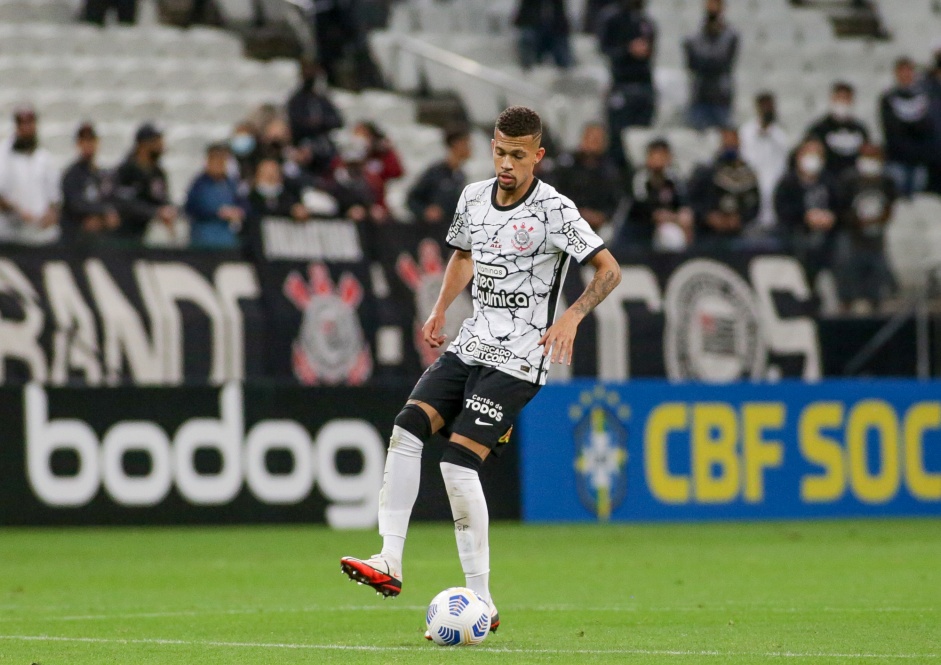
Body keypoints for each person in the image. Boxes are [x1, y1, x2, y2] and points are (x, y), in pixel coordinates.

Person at [340, 107, 622, 636]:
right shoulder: (472, 197)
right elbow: (463, 257)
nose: (506, 163)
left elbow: (609, 270)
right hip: (472, 341)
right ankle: (389, 560)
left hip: (521, 354)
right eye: (499, 151)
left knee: (455, 465)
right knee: (405, 429)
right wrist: (440, 309)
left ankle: (483, 598)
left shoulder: (556, 210)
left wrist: (571, 319)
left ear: (537, 155)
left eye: (518, 155)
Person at [835, 143, 898, 313]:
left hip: (876, 237)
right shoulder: (849, 180)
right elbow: (841, 208)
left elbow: (890, 206)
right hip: (853, 236)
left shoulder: (887, 181)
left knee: (876, 275)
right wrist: (857, 222)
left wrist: (878, 220)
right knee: (848, 270)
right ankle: (846, 306)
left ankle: (875, 304)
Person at [599, 0, 657, 170]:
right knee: (617, 139)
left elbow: (651, 52)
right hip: (621, 83)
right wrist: (628, 49)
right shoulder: (611, 18)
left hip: (644, 85)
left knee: (642, 136)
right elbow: (604, 48)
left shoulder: (646, 22)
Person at [548, 123, 623, 238]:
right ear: (583, 139)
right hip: (568, 217)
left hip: (599, 223)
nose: (593, 143)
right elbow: (556, 192)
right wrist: (578, 212)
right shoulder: (567, 165)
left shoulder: (611, 170)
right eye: (590, 138)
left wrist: (602, 216)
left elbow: (616, 200)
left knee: (609, 234)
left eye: (598, 140)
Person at [774, 138, 839, 271]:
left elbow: (839, 206)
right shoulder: (788, 183)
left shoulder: (830, 182)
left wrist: (831, 217)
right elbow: (782, 210)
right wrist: (805, 216)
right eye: (809, 154)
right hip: (796, 234)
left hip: (826, 237)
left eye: (817, 155)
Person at [687, 127, 760, 245]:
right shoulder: (704, 172)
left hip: (738, 234)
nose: (730, 142)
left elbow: (754, 205)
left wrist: (740, 219)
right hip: (707, 234)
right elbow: (692, 201)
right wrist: (708, 217)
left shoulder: (747, 173)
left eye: (734, 139)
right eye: (726, 138)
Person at [0, 106, 61, 245]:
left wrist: (51, 215)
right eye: (23, 123)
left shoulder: (44, 158)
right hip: (9, 236)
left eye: (30, 122)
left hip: (40, 236)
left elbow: (54, 197)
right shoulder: (3, 156)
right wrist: (17, 212)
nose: (27, 127)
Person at [622, 138, 693, 250]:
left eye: (662, 155)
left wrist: (678, 217)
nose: (659, 159)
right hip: (641, 227)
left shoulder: (674, 178)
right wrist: (665, 216)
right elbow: (643, 207)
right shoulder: (640, 178)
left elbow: (683, 204)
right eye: (655, 155)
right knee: (669, 235)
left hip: (670, 223)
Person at [113, 123, 178, 242]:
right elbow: (125, 203)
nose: (161, 145)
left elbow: (162, 198)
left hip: (148, 233)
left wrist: (169, 209)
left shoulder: (157, 172)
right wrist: (155, 212)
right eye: (156, 141)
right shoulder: (126, 170)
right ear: (143, 145)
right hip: (124, 235)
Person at [880, 56, 934, 198]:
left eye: (909, 71)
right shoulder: (888, 98)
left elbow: (927, 127)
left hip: (919, 160)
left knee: (918, 200)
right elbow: (891, 130)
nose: (906, 75)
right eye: (902, 71)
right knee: (897, 199)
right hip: (897, 159)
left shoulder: (924, 97)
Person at [683, 0, 739, 130]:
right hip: (700, 94)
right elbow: (692, 62)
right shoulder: (695, 35)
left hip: (721, 95)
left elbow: (723, 61)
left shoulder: (730, 35)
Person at [60, 122, 120, 243]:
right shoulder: (72, 174)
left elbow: (109, 198)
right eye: (84, 141)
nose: (88, 145)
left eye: (91, 141)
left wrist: (104, 215)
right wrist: (101, 211)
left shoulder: (102, 174)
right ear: (78, 144)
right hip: (75, 238)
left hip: (100, 237)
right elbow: (75, 204)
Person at [739, 92, 790, 232]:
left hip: (775, 186)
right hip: (751, 184)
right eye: (764, 106)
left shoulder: (781, 134)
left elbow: (784, 163)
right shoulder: (746, 132)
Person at [286, 60, 343, 175]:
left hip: (323, 144)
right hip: (302, 144)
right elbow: (295, 124)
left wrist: (320, 123)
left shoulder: (322, 99)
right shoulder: (296, 100)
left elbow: (338, 121)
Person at [184, 143, 246, 249]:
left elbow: (244, 204)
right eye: (216, 159)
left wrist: (238, 211)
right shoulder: (199, 184)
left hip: (228, 239)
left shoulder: (232, 184)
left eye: (222, 159)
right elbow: (191, 207)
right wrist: (217, 212)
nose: (219, 163)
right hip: (203, 239)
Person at [406, 127, 471, 224]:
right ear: (456, 144)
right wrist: (425, 211)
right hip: (431, 231)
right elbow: (412, 199)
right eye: (466, 144)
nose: (470, 148)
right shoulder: (435, 172)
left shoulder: (461, 176)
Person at [806, 82, 870, 180]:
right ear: (832, 99)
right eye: (839, 98)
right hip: (828, 178)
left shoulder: (860, 129)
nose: (842, 103)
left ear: (852, 101)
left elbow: (867, 154)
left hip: (854, 179)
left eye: (846, 99)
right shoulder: (819, 128)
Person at [351, 121, 405, 210]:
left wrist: (385, 152)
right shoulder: (349, 155)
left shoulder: (382, 154)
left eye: (364, 136)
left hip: (377, 203)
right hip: (352, 202)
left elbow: (397, 172)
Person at [514, 0, 574, 70]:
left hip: (556, 28)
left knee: (564, 60)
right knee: (528, 38)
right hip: (532, 25)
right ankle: (527, 69)